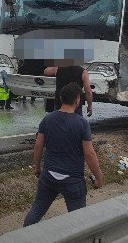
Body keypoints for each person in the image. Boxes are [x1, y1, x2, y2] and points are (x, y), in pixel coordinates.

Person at [23, 83, 104, 226]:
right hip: (73, 180)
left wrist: (37, 167)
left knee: (37, 209)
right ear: (77, 100)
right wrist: (98, 177)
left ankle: (22, 238)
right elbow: (89, 154)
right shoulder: (82, 123)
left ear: (61, 98)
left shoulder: (48, 119)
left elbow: (38, 146)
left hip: (48, 176)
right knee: (78, 219)